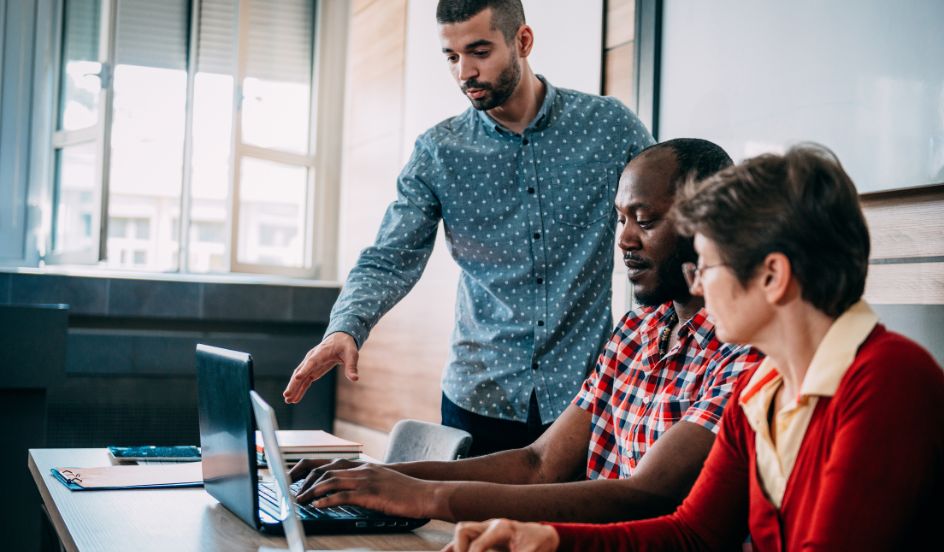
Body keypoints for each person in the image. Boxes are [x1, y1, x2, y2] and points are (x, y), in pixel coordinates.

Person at [447, 144, 944, 551]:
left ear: (772, 276)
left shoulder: (890, 378)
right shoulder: (763, 388)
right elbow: (693, 533)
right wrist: (548, 539)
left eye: (706, 266)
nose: (698, 286)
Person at [288, 139, 763, 523]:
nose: (624, 239)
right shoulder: (637, 330)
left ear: (707, 224)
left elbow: (644, 496)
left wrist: (427, 496)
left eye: (646, 220)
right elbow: (540, 464)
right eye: (620, 219)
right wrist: (376, 474)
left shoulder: (744, 353)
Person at [283, 0, 655, 455]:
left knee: (569, 527)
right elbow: (390, 257)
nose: (465, 73)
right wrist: (345, 327)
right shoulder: (439, 151)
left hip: (586, 394)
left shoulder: (609, 128)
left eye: (479, 52)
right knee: (471, 529)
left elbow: (668, 215)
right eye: (452, 57)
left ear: (523, 41)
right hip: (479, 398)